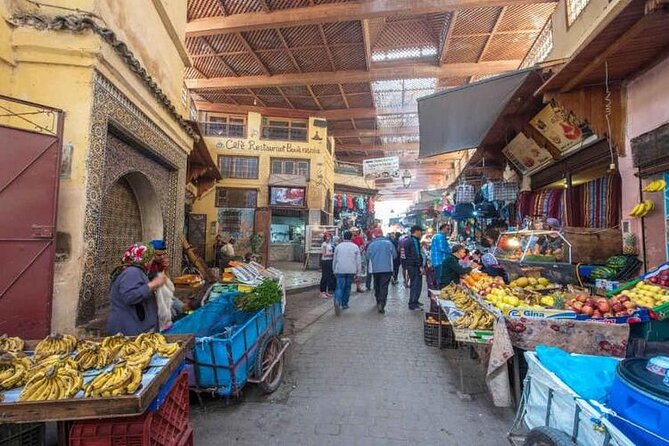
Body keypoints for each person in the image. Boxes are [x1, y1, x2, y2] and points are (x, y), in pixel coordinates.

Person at [107, 242, 165, 336]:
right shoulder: (132, 272)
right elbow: (129, 296)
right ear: (143, 259)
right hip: (128, 330)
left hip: (133, 327)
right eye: (150, 259)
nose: (151, 262)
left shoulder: (135, 271)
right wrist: (152, 285)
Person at [148, 240, 184, 331]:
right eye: (159, 255)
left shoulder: (160, 264)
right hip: (155, 299)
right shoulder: (148, 266)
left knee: (181, 308)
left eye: (164, 254)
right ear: (151, 254)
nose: (162, 257)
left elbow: (168, 284)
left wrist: (166, 268)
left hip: (166, 296)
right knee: (171, 314)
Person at [366, 228, 397, 313]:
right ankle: (382, 303)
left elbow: (367, 256)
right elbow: (394, 255)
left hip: (375, 269)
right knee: (384, 286)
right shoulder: (389, 243)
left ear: (375, 235)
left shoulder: (371, 244)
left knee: (376, 285)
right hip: (387, 268)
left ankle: (378, 300)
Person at [332, 231, 361, 316]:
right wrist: (358, 273)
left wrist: (334, 269)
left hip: (340, 269)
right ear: (351, 237)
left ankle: (337, 300)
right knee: (348, 287)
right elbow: (358, 261)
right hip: (351, 270)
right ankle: (344, 304)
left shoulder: (338, 247)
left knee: (339, 287)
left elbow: (335, 259)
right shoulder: (355, 247)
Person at [402, 225, 425, 311]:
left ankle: (415, 301)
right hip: (414, 266)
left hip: (411, 265)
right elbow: (416, 254)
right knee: (415, 284)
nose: (421, 233)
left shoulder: (409, 240)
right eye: (420, 231)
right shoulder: (413, 241)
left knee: (416, 284)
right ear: (416, 231)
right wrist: (420, 266)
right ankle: (412, 304)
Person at [319, 232, 336, 299]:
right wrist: (333, 253)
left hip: (329, 261)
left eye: (329, 236)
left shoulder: (330, 244)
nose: (328, 238)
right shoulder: (324, 244)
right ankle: (322, 291)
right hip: (325, 261)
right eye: (327, 236)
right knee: (324, 276)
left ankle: (326, 291)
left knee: (328, 276)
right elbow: (324, 254)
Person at [350, 227, 366, 292]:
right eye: (354, 231)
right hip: (351, 257)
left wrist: (361, 251)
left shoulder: (359, 238)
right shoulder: (350, 239)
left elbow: (363, 245)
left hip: (358, 255)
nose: (355, 232)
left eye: (356, 231)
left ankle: (358, 286)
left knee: (358, 272)